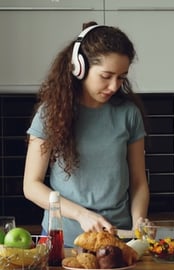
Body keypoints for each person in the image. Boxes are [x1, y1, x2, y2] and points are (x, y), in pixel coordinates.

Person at [23, 21, 150, 247]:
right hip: (60, 241)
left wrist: (139, 222)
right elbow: (31, 186)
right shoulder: (50, 113)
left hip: (116, 239)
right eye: (106, 76)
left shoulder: (128, 114)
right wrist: (82, 215)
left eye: (121, 77)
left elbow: (138, 182)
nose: (114, 86)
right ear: (79, 68)